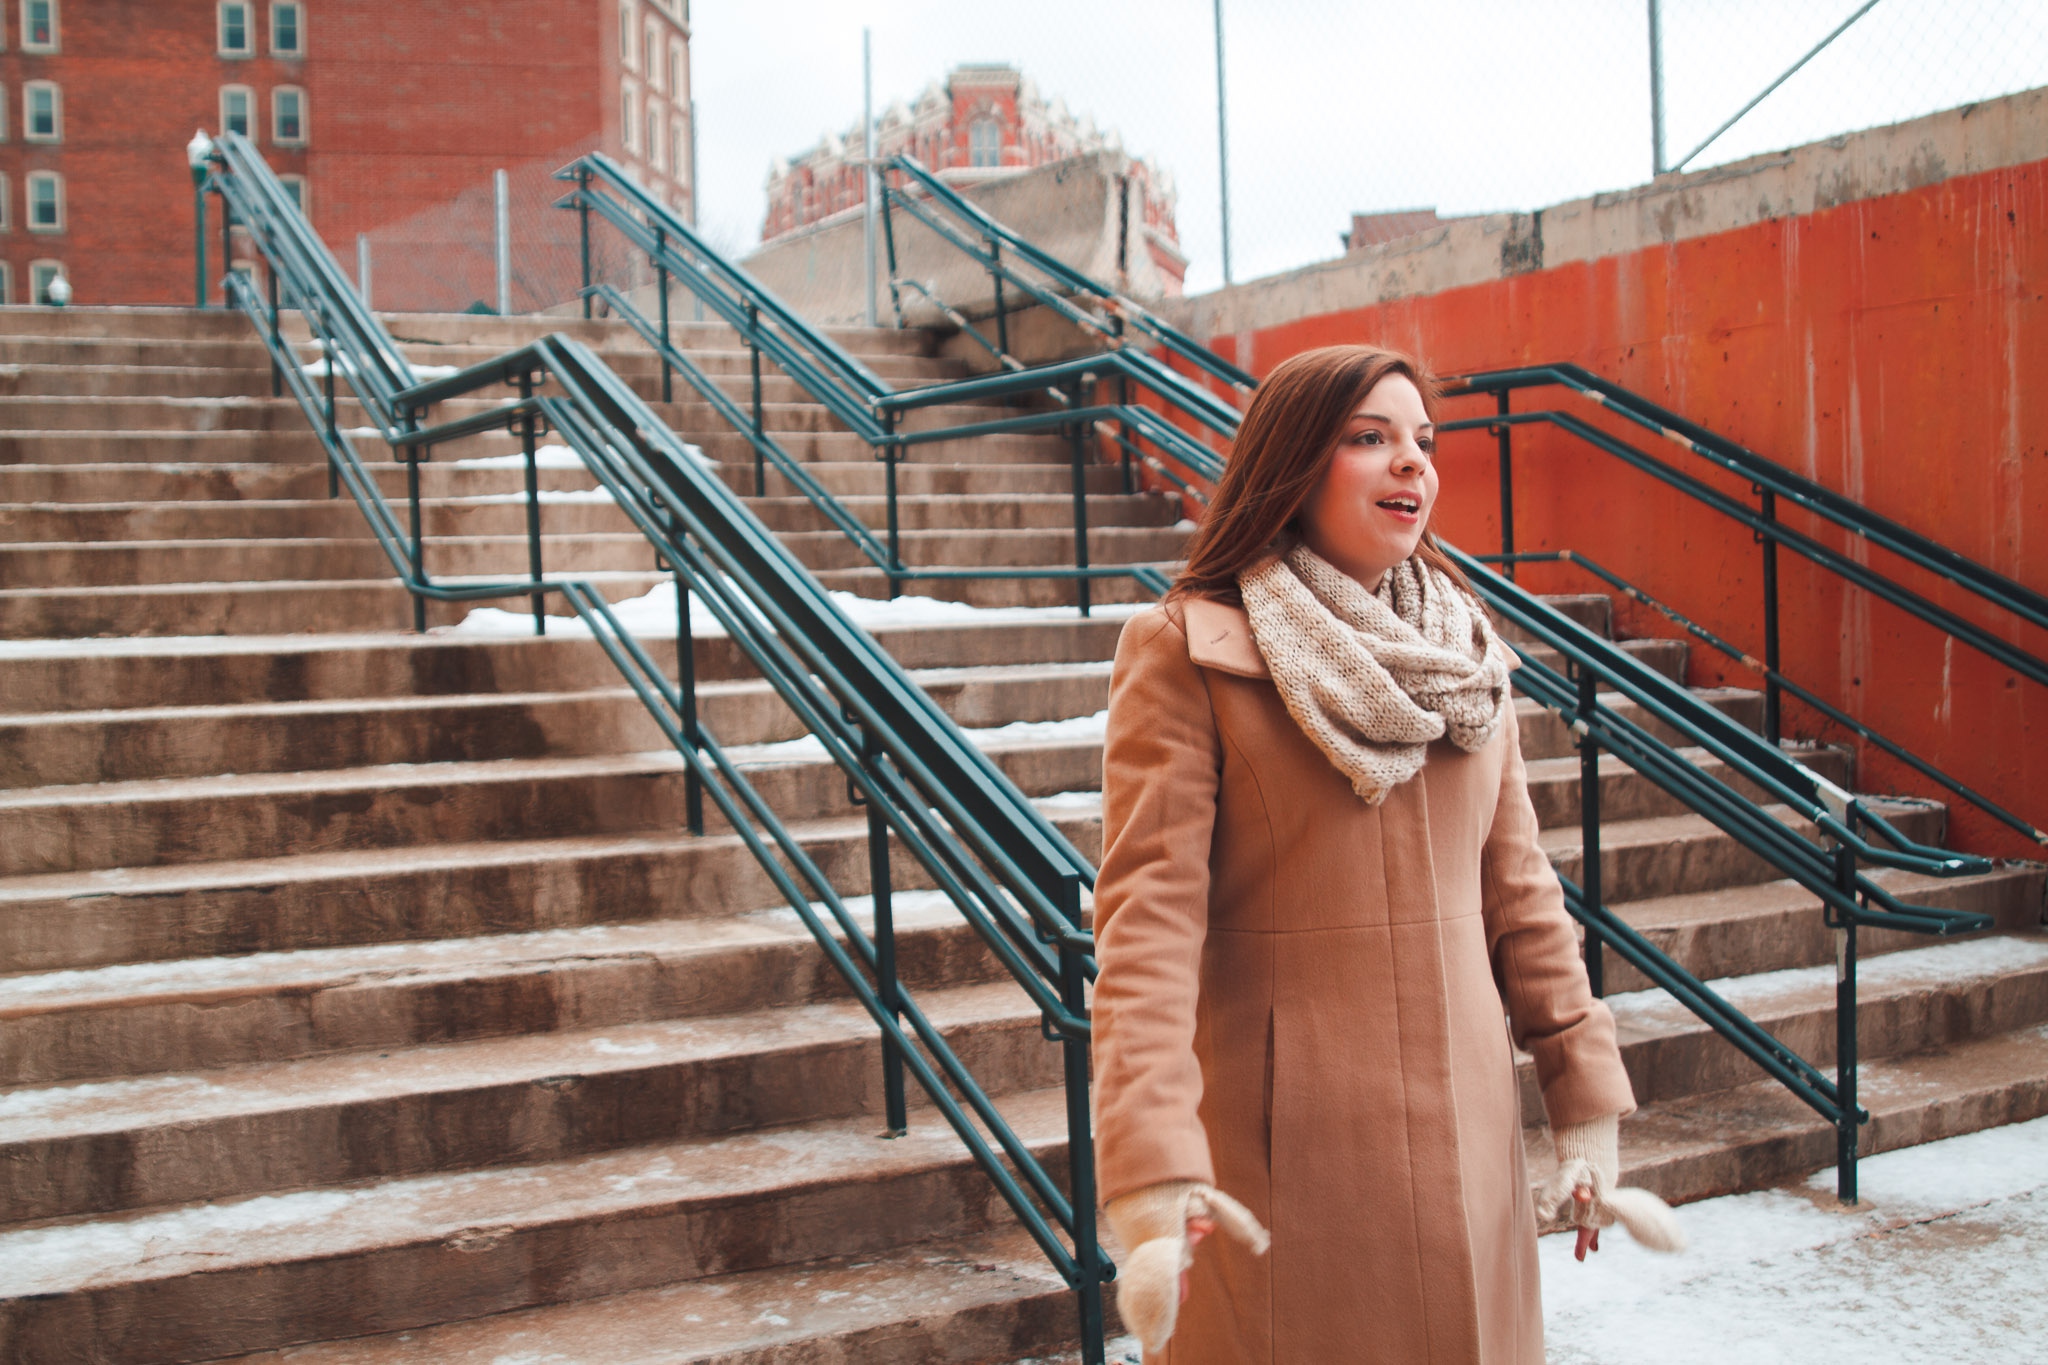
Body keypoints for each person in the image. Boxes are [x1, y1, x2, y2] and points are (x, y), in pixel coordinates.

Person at [1091, 345, 1681, 1363]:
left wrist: (1581, 1102)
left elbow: (1520, 894)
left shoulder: (1466, 655)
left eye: (1422, 440)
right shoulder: (1185, 651)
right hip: (1284, 1164)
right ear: (1290, 462)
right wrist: (1151, 1163)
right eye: (1368, 439)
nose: (1410, 463)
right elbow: (1147, 929)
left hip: (1468, 1143)